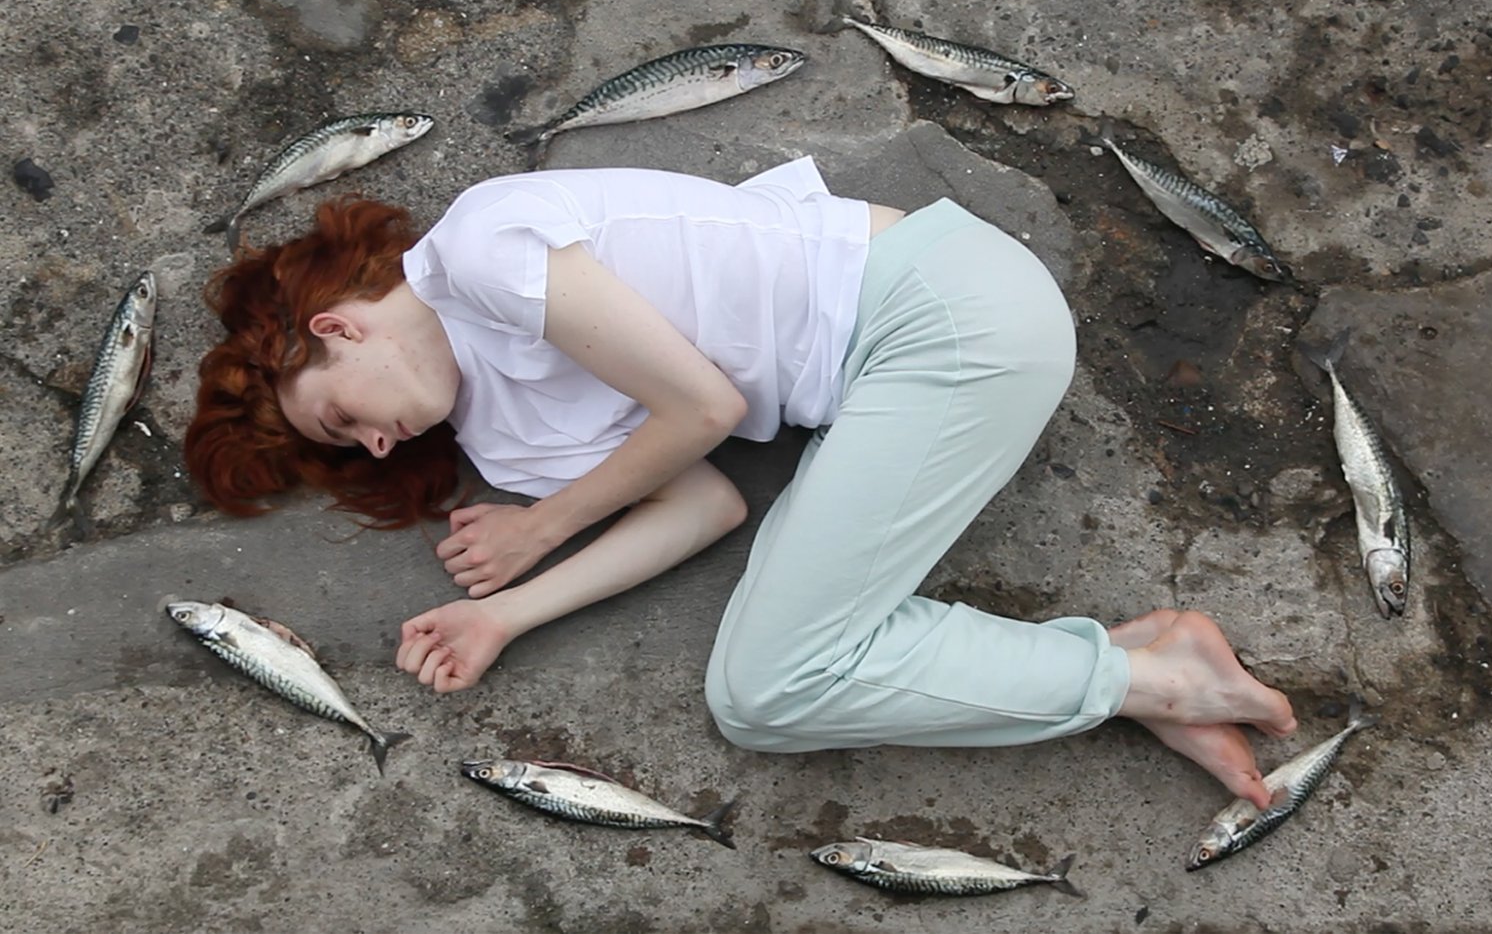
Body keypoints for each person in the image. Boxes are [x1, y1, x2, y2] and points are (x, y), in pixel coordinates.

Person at [185, 157, 1297, 808]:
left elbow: (705, 412)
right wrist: (508, 613)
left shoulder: (480, 249)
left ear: (335, 327)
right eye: (353, 454)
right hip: (885, 377)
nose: (373, 445)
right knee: (767, 695)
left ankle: (1151, 678)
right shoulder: (503, 438)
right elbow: (705, 497)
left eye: (342, 418)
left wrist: (544, 531)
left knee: (766, 691)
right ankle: (1148, 668)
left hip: (941, 311)